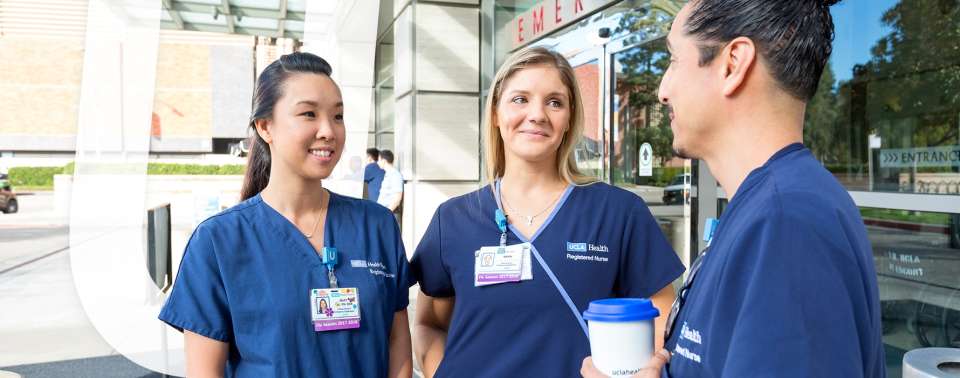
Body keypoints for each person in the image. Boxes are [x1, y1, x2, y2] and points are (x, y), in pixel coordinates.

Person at [581, 0, 885, 377]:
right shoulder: (771, 207)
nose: (662, 90)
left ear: (733, 64)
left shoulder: (786, 223)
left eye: (674, 60)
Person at [411, 46, 684, 378]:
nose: (537, 114)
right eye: (520, 99)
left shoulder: (618, 213)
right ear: (495, 113)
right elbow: (429, 324)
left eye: (555, 102)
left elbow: (660, 315)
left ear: (569, 119)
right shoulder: (453, 219)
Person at [158, 52, 414, 378]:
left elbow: (397, 344)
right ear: (265, 126)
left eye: (337, 116)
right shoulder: (218, 241)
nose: (328, 130)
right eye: (309, 114)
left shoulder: (377, 225)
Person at [376, 149, 403, 214]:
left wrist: (387, 213)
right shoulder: (388, 174)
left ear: (384, 161)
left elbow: (397, 198)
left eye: (379, 160)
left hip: (390, 213)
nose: (377, 162)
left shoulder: (395, 174)